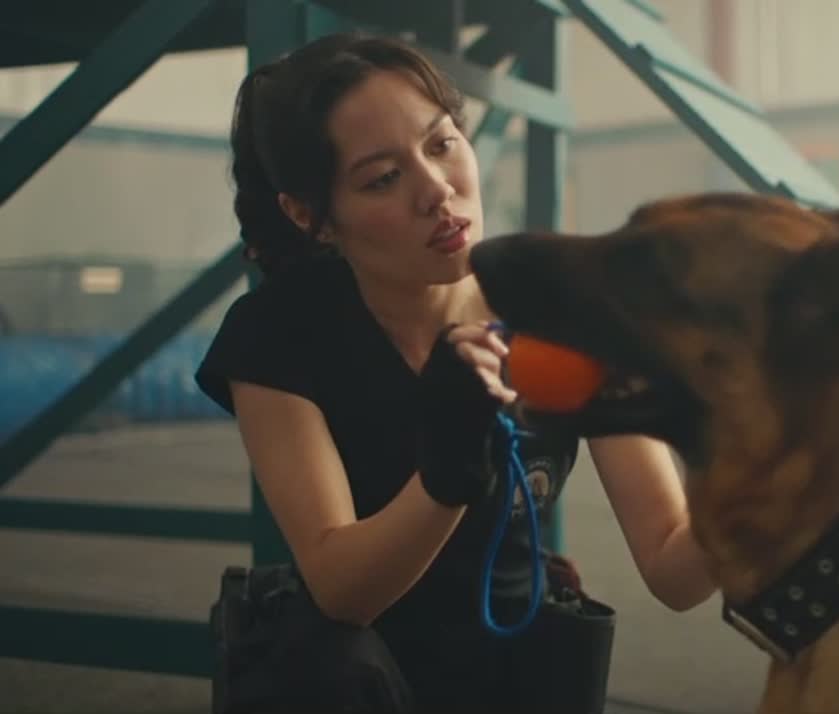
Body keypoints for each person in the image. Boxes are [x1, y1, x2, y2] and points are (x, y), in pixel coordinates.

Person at [195, 31, 717, 714]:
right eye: (383, 178)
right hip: (358, 686)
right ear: (311, 217)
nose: (437, 190)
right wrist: (448, 472)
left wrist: (754, 461)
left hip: (520, 674)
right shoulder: (278, 333)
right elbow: (342, 592)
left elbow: (675, 570)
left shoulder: (561, 309)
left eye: (441, 143)